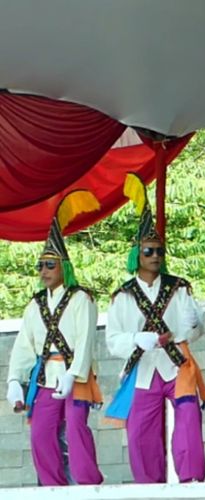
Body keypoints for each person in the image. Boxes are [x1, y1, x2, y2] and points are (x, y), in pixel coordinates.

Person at [106, 173, 205, 483]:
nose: (154, 256)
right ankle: (148, 486)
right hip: (144, 367)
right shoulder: (123, 295)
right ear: (136, 254)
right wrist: (141, 338)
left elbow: (197, 327)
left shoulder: (179, 288)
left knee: (189, 419)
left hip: (177, 364)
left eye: (159, 251)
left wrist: (189, 328)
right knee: (140, 430)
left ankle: (192, 481)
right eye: (148, 251)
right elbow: (113, 340)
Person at [6, 190, 103, 486]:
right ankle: (51, 486)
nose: (44, 271)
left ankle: (88, 484)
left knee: (75, 429)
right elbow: (24, 345)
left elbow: (87, 339)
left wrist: (74, 374)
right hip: (46, 378)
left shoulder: (81, 299)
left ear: (65, 267)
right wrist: (14, 380)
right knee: (40, 432)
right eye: (41, 265)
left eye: (50, 264)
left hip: (76, 377)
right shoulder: (34, 304)